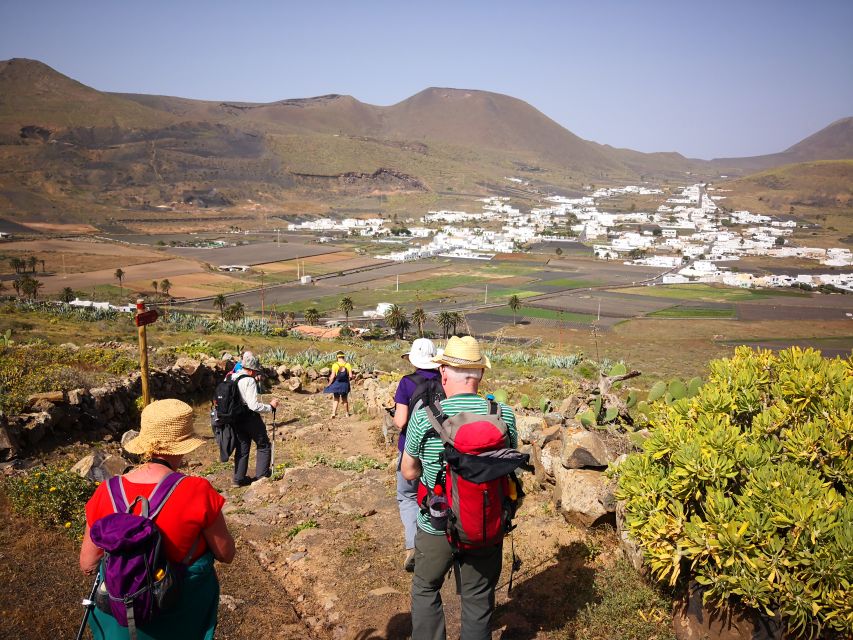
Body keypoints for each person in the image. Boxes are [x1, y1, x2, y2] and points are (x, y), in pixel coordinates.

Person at [79, 398, 236, 640]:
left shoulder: (107, 490)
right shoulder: (198, 491)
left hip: (121, 620)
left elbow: (88, 563)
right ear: (184, 446)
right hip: (178, 615)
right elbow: (226, 554)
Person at [401, 335, 517, 640]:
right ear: (480, 375)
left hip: (436, 523)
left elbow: (408, 470)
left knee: (426, 588)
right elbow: (510, 467)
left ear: (443, 372)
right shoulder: (502, 415)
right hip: (485, 523)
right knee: (478, 600)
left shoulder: (425, 416)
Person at [393, 338, 442, 572]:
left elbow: (401, 420)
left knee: (408, 496)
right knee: (438, 493)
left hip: (410, 449)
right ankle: (440, 542)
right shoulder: (446, 380)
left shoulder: (406, 383)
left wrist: (394, 415)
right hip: (441, 449)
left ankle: (414, 546)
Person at [232, 351, 278, 487]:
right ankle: (261, 477)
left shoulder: (233, 377)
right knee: (263, 444)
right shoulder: (249, 380)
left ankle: (238, 479)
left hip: (236, 417)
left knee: (242, 446)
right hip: (249, 417)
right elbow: (253, 405)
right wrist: (270, 407)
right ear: (252, 370)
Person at [324, 350, 352, 418]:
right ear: (343, 357)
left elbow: (332, 376)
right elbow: (351, 376)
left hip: (337, 384)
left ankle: (333, 413)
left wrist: (329, 384)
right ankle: (347, 414)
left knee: (336, 399)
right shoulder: (348, 365)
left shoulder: (335, 365)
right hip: (345, 384)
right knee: (345, 399)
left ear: (337, 357)